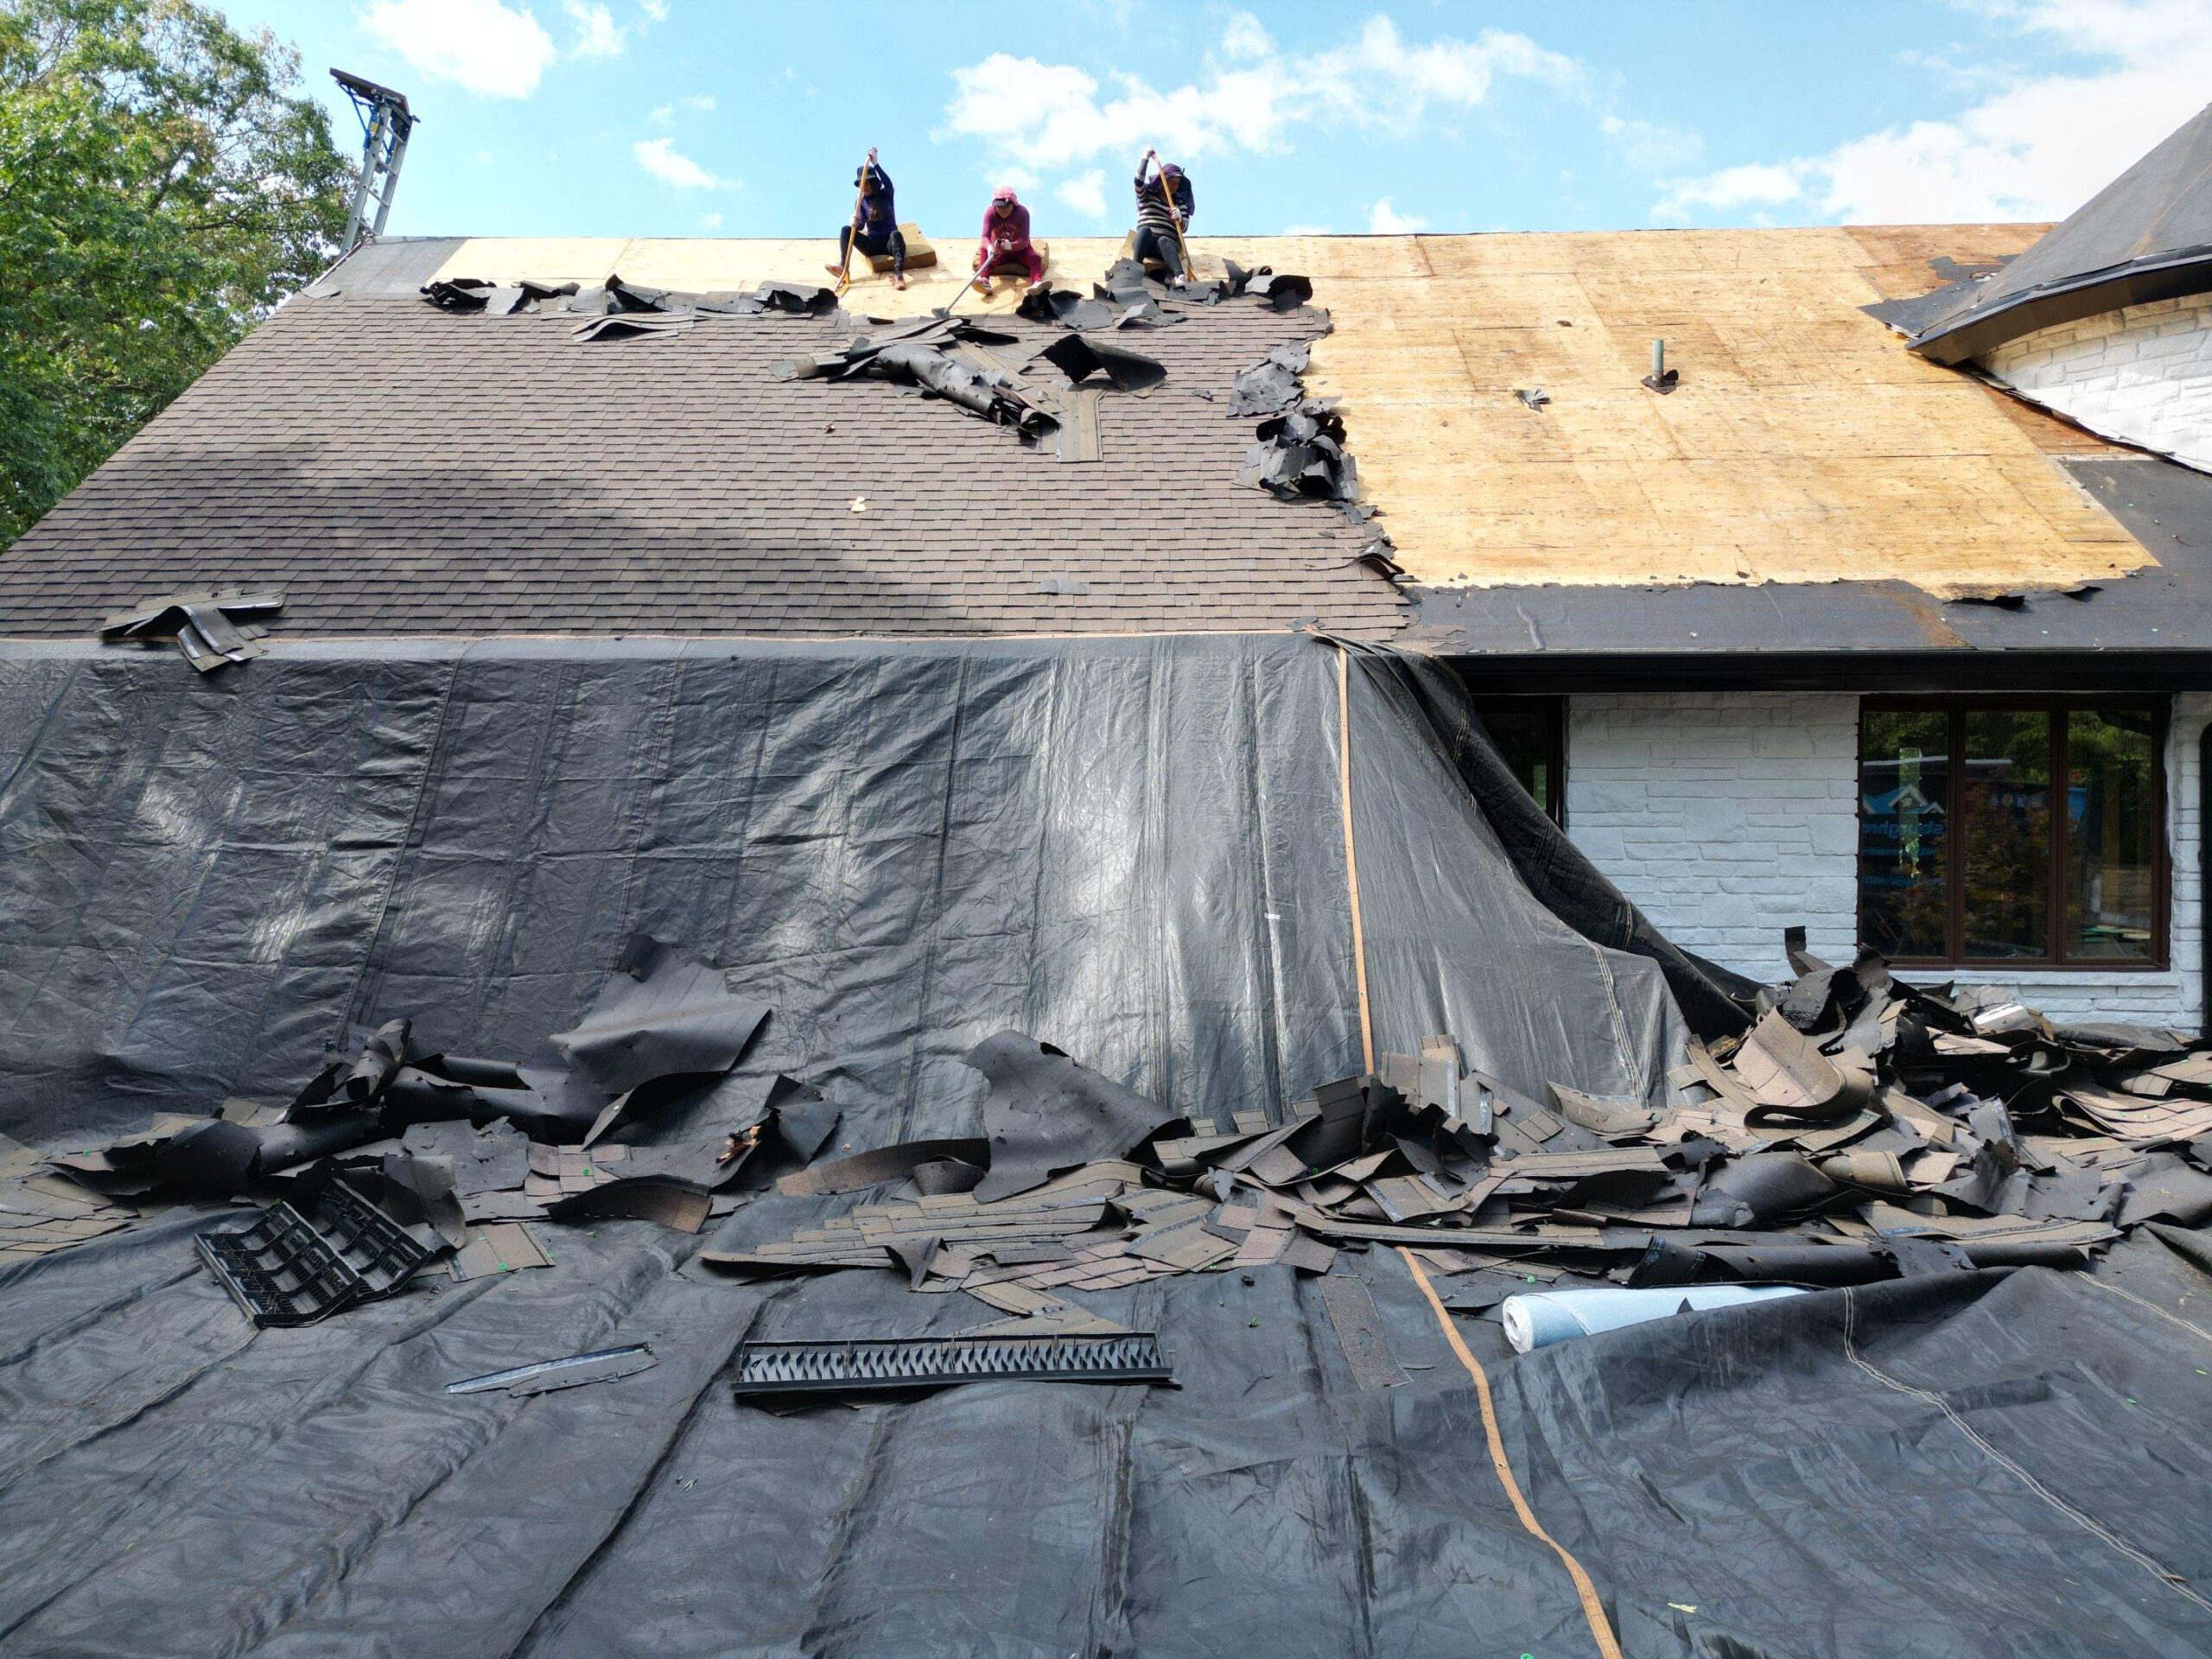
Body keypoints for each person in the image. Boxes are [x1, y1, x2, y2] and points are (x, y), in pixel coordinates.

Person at [829, 148, 906, 289]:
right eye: (861, 184)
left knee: (897, 235)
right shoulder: (861, 201)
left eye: (866, 183)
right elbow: (861, 226)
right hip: (872, 245)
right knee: (845, 230)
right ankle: (843, 268)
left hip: (889, 242)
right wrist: (855, 223)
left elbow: (888, 183)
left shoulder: (886, 195)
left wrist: (876, 164)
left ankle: (898, 275)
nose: (863, 187)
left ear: (874, 183)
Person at [1132, 148, 1193, 283]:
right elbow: (1138, 183)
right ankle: (1134, 268)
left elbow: (1184, 228)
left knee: (1164, 240)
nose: (1173, 186)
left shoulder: (1179, 204)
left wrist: (1180, 219)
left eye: (1177, 184)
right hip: (1145, 242)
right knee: (1145, 230)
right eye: (1171, 181)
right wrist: (1145, 158)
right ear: (1163, 179)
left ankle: (1179, 276)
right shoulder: (1148, 194)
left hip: (1166, 246)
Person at [972, 185, 1045, 292]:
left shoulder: (1023, 213)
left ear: (1013, 204)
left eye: (1005, 207)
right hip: (999, 252)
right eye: (999, 207)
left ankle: (1036, 282)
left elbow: (1024, 241)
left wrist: (1011, 245)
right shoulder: (990, 213)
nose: (1002, 210)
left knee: (1035, 259)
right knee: (983, 250)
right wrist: (989, 247)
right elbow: (985, 237)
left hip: (1020, 251)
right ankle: (984, 280)